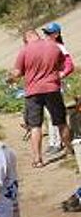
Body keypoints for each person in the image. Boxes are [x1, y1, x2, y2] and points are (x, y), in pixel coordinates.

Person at [10, 30, 73, 168]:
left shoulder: (25, 50)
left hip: (33, 92)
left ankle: (38, 159)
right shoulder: (54, 46)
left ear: (26, 39)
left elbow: (17, 73)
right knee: (61, 122)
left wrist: (11, 77)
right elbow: (62, 66)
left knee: (35, 126)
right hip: (52, 88)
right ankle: (69, 150)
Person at [42, 22, 75, 155]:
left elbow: (70, 65)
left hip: (56, 85)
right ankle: (53, 141)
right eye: (45, 33)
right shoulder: (44, 47)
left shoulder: (59, 47)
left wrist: (61, 75)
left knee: (54, 116)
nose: (46, 36)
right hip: (46, 85)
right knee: (48, 115)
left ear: (56, 35)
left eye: (49, 33)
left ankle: (58, 143)